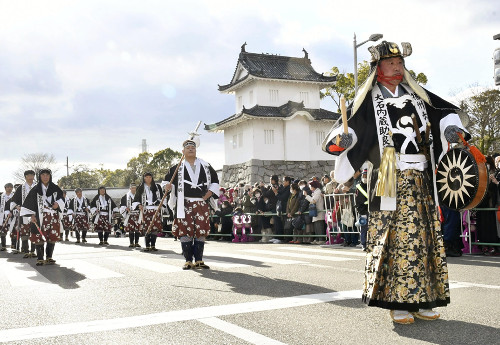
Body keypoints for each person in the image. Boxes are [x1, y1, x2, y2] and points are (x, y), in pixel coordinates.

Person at [322, 41, 470, 324]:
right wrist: (344, 141)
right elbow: (348, 130)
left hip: (421, 173)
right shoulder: (367, 101)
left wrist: (451, 129)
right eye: (391, 63)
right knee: (394, 239)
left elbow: (444, 113)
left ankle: (425, 299)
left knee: (425, 238)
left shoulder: (418, 96)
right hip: (388, 169)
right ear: (378, 68)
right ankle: (397, 302)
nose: (398, 67)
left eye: (400, 62)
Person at [163, 137, 219, 270]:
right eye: (188, 148)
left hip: (201, 203)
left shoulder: (205, 166)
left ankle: (199, 259)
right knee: (185, 231)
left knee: (200, 231)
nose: (190, 149)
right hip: (184, 203)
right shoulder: (177, 168)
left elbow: (215, 182)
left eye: (193, 148)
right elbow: (165, 182)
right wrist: (167, 187)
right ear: (183, 151)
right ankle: (188, 260)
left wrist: (208, 194)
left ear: (196, 150)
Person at [20, 169, 64, 266]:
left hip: (52, 215)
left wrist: (58, 203)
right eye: (43, 175)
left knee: (51, 236)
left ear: (50, 176)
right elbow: (29, 203)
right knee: (38, 236)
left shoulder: (55, 188)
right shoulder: (35, 189)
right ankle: (40, 258)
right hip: (40, 216)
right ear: (40, 177)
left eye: (47, 175)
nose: (45, 177)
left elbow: (62, 199)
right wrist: (32, 215)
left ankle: (49, 257)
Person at [8, 170, 37, 256]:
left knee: (34, 231)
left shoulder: (37, 187)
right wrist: (17, 207)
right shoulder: (21, 188)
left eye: (32, 175)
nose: (31, 177)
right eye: (29, 175)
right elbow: (13, 201)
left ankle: (33, 250)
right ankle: (25, 250)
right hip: (24, 212)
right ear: (25, 177)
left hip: (35, 213)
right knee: (25, 231)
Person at [133, 172, 164, 252]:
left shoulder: (157, 187)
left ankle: (153, 245)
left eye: (150, 177)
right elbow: (136, 199)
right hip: (146, 209)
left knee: (154, 227)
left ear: (152, 178)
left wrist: (161, 204)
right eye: (146, 177)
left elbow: (162, 197)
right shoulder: (141, 187)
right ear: (144, 178)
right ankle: (147, 245)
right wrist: (139, 204)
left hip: (155, 209)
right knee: (147, 227)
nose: (148, 179)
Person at [304, 180, 326, 245]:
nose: (310, 187)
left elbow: (313, 201)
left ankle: (321, 239)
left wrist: (306, 196)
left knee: (319, 226)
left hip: (319, 210)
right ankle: (317, 239)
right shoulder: (315, 192)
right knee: (316, 226)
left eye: (310, 186)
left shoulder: (318, 192)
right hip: (315, 211)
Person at [120, 183, 141, 248]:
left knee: (137, 229)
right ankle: (131, 243)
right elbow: (122, 206)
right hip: (130, 214)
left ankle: (137, 242)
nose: (134, 189)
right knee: (131, 230)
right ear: (130, 188)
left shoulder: (139, 196)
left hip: (137, 214)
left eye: (135, 188)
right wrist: (126, 208)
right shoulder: (125, 197)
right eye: (132, 188)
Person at [0, 183, 15, 251]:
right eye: (8, 187)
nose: (9, 188)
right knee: (3, 230)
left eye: (11, 187)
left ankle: (13, 245)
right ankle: (3, 245)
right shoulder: (1, 196)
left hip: (12, 215)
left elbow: (16, 205)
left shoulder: (14, 196)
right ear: (5, 188)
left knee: (13, 229)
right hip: (3, 215)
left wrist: (11, 212)